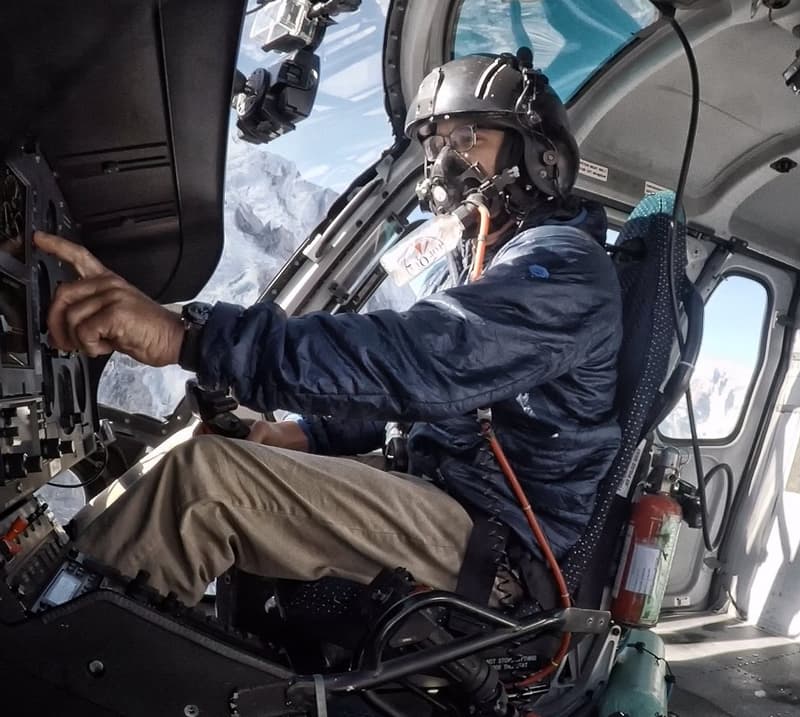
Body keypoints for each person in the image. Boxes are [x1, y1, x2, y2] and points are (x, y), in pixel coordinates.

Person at [33, 52, 622, 606]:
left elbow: (426, 364)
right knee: (212, 448)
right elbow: (422, 397)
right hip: (449, 494)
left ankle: (50, 660)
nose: (444, 163)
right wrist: (306, 436)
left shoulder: (564, 265)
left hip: (496, 541)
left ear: (538, 158)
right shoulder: (485, 265)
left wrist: (187, 338)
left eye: (468, 138)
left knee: (199, 487)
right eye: (436, 144)